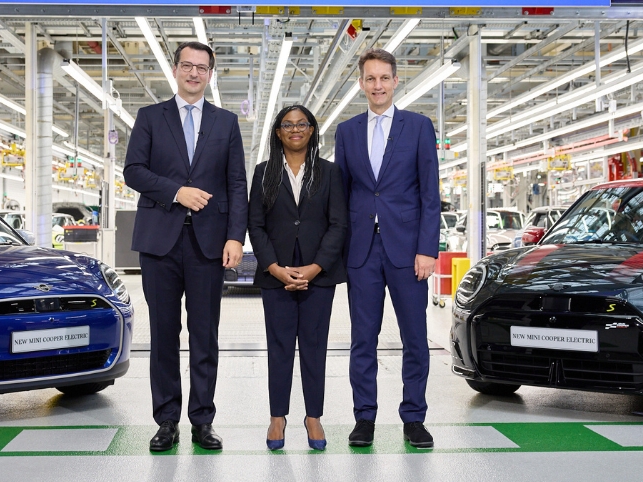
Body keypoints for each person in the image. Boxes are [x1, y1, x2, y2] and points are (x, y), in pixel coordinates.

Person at [123, 41, 247, 452]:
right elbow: (133, 171)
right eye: (187, 66)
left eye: (202, 68)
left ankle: (202, 420)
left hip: (209, 244)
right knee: (163, 334)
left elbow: (236, 185)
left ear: (211, 74)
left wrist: (235, 237)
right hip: (160, 243)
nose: (194, 73)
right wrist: (177, 191)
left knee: (205, 335)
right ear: (175, 70)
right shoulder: (149, 117)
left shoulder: (226, 123)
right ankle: (166, 421)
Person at [334, 48, 441, 449]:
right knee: (363, 338)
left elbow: (431, 193)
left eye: (384, 78)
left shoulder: (417, 127)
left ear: (396, 81)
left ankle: (414, 417)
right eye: (370, 79)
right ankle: (365, 417)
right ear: (360, 83)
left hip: (409, 250)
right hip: (362, 253)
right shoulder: (346, 132)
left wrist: (428, 249)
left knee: (415, 337)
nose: (377, 85)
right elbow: (342, 198)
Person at [248, 105, 347, 451]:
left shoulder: (330, 173)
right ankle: (278, 416)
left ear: (312, 130)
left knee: (314, 347)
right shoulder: (263, 174)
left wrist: (316, 266)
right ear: (278, 132)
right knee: (278, 348)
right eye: (287, 125)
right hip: (276, 276)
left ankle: (313, 417)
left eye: (301, 124)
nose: (295, 129)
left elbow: (338, 225)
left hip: (318, 276)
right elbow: (256, 226)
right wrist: (274, 267)